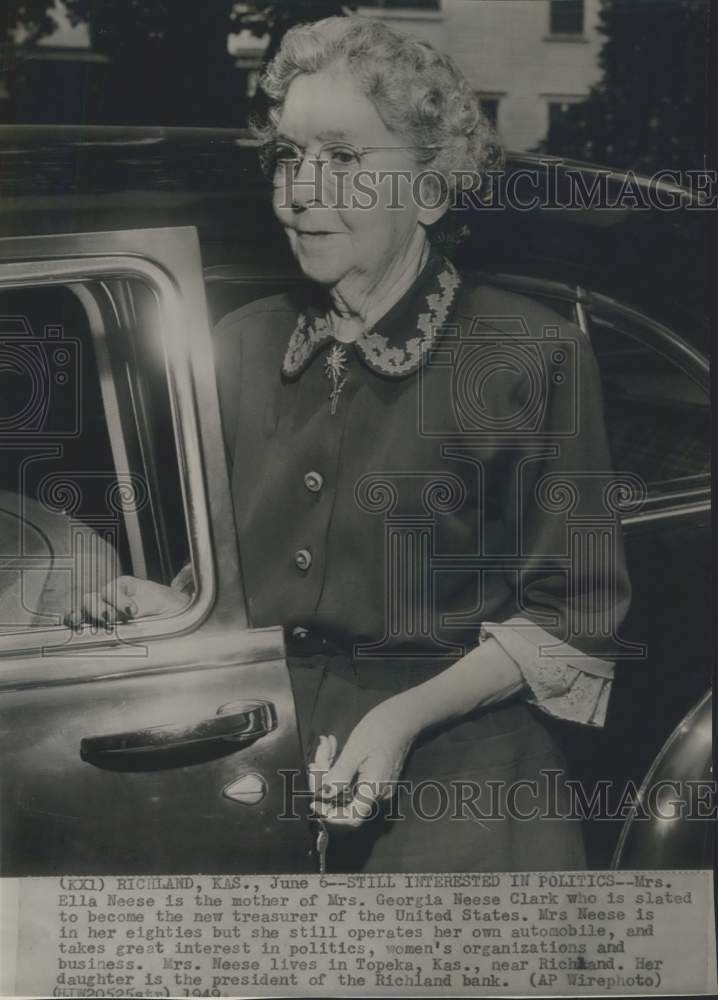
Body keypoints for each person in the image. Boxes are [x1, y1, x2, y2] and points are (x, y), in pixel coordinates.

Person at [73, 17, 630, 872]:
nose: (299, 191)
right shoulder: (240, 345)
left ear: (433, 189)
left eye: (342, 159)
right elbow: (248, 565)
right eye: (288, 157)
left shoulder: (534, 352)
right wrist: (169, 606)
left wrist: (401, 716)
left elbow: (572, 617)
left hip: (469, 794)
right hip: (262, 768)